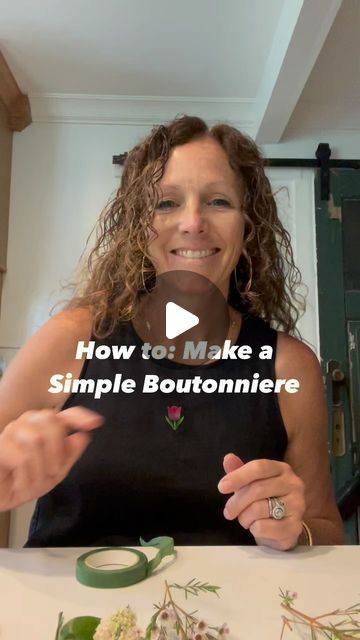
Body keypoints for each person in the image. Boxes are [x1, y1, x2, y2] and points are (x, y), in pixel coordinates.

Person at [0, 115, 344, 549]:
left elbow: (326, 529)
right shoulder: (72, 338)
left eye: (219, 201)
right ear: (138, 227)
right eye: (167, 203)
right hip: (75, 615)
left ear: (248, 225)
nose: (193, 222)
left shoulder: (289, 366)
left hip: (232, 617)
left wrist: (291, 525)